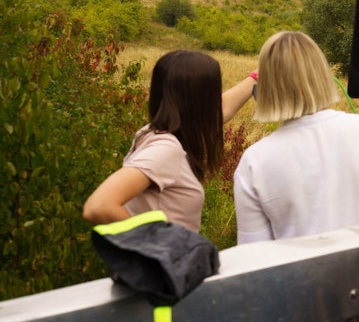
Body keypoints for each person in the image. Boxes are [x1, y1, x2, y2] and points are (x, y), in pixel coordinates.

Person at [233, 31, 359, 244]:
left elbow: (256, 257)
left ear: (266, 87)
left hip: (299, 276)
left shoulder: (254, 161)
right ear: (322, 75)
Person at [83, 50, 257, 232]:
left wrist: (257, 75)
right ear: (199, 99)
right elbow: (100, 206)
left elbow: (221, 109)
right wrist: (161, 248)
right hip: (167, 260)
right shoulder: (165, 149)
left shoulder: (157, 132)